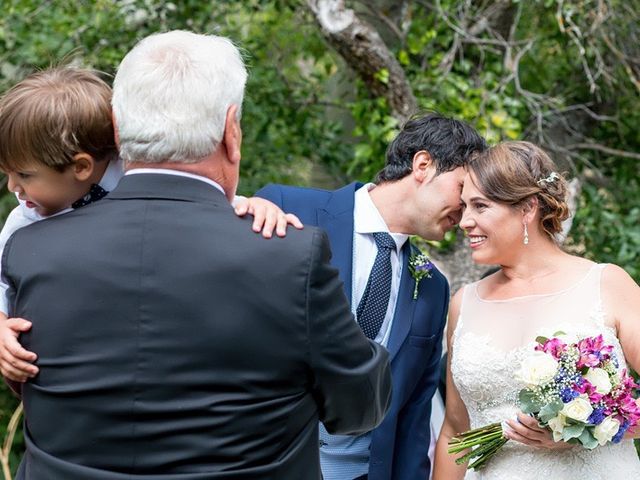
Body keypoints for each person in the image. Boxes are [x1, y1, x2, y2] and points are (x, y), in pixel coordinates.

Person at [2, 30, 392, 479]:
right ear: (232, 131)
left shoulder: (30, 250)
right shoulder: (289, 257)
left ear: (117, 127)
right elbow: (358, 408)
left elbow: (25, 383)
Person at [0, 66, 303, 383]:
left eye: (24, 175)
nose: (12, 188)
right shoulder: (26, 217)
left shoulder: (136, 174)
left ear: (81, 167)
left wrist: (251, 207)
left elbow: (194, 206)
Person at [257, 113, 487, 480]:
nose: (464, 214)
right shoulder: (286, 209)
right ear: (423, 165)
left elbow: (414, 417)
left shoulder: (432, 288)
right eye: (461, 189)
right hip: (268, 463)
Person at [433, 141, 640, 479]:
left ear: (528, 208)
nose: (464, 221)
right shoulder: (464, 303)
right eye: (464, 207)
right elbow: (455, 430)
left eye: (480, 206)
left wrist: (587, 427)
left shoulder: (605, 284)